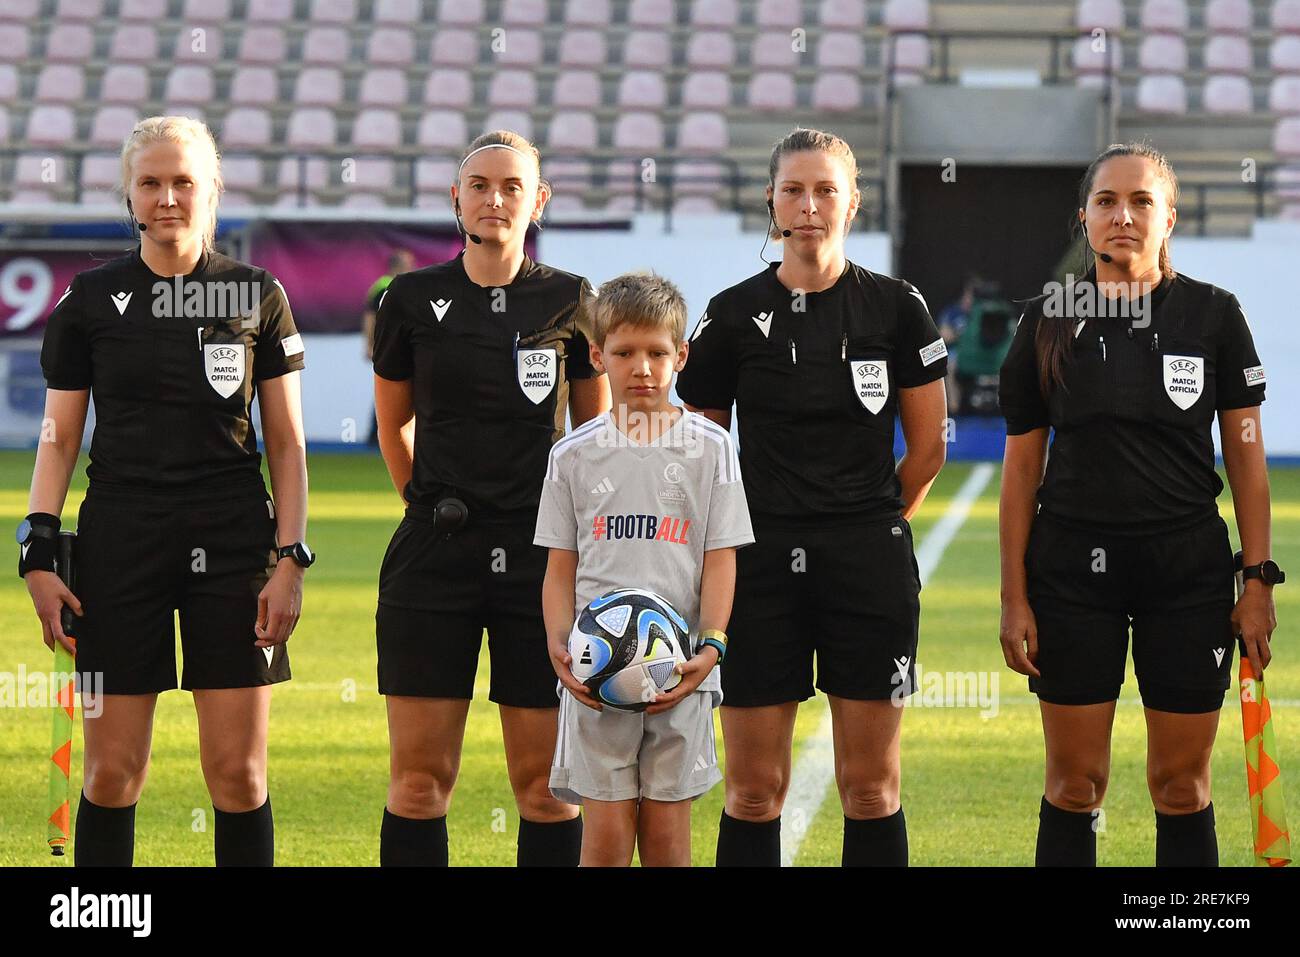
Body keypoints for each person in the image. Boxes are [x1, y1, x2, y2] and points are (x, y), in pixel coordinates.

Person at [21, 115, 311, 866]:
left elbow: (285, 442)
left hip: (236, 545)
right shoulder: (89, 300)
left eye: (183, 181)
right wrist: (39, 551)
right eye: (150, 182)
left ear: (211, 189)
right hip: (120, 547)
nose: (168, 197)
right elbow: (57, 439)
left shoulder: (257, 294)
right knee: (113, 773)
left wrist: (290, 558)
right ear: (129, 192)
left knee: (238, 776)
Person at [998, 142, 1277, 866]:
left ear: (1169, 217)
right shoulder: (1045, 321)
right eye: (1106, 202)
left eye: (1141, 201)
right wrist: (1013, 596)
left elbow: (1246, 455)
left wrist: (1257, 579)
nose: (1123, 215)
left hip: (1186, 575)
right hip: (1070, 577)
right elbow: (1021, 466)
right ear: (1085, 218)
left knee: (1180, 784)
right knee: (1074, 782)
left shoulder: (1214, 316)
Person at [676, 128, 949, 866]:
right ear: (772, 199)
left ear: (853, 201)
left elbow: (927, 451)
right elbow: (702, 454)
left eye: (826, 189)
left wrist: (872, 523)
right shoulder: (731, 315)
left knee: (870, 785)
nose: (809, 205)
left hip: (868, 567)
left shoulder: (897, 309)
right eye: (793, 189)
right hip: (757, 569)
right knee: (754, 788)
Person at [371, 130, 611, 867]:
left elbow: (591, 439)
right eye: (479, 184)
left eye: (512, 186)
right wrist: (429, 504)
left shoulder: (572, 299)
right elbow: (392, 426)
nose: (495, 198)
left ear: (538, 200)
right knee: (418, 783)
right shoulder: (409, 299)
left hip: (541, 565)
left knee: (545, 787)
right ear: (456, 198)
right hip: (433, 560)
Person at [536, 272, 754, 866]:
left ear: (681, 355)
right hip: (594, 681)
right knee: (603, 845)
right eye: (625, 352)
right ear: (596, 354)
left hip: (681, 674)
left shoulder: (711, 447)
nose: (642, 368)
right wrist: (560, 646)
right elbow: (560, 567)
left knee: (667, 843)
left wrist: (710, 646)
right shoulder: (573, 453)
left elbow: (720, 559)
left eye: (658, 353)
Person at [363, 249, 416, 446]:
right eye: (407, 262)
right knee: (388, 386)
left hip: (403, 344)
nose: (411, 266)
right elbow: (370, 317)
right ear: (397, 265)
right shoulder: (383, 287)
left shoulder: (410, 285)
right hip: (387, 345)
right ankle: (376, 433)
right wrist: (369, 344)